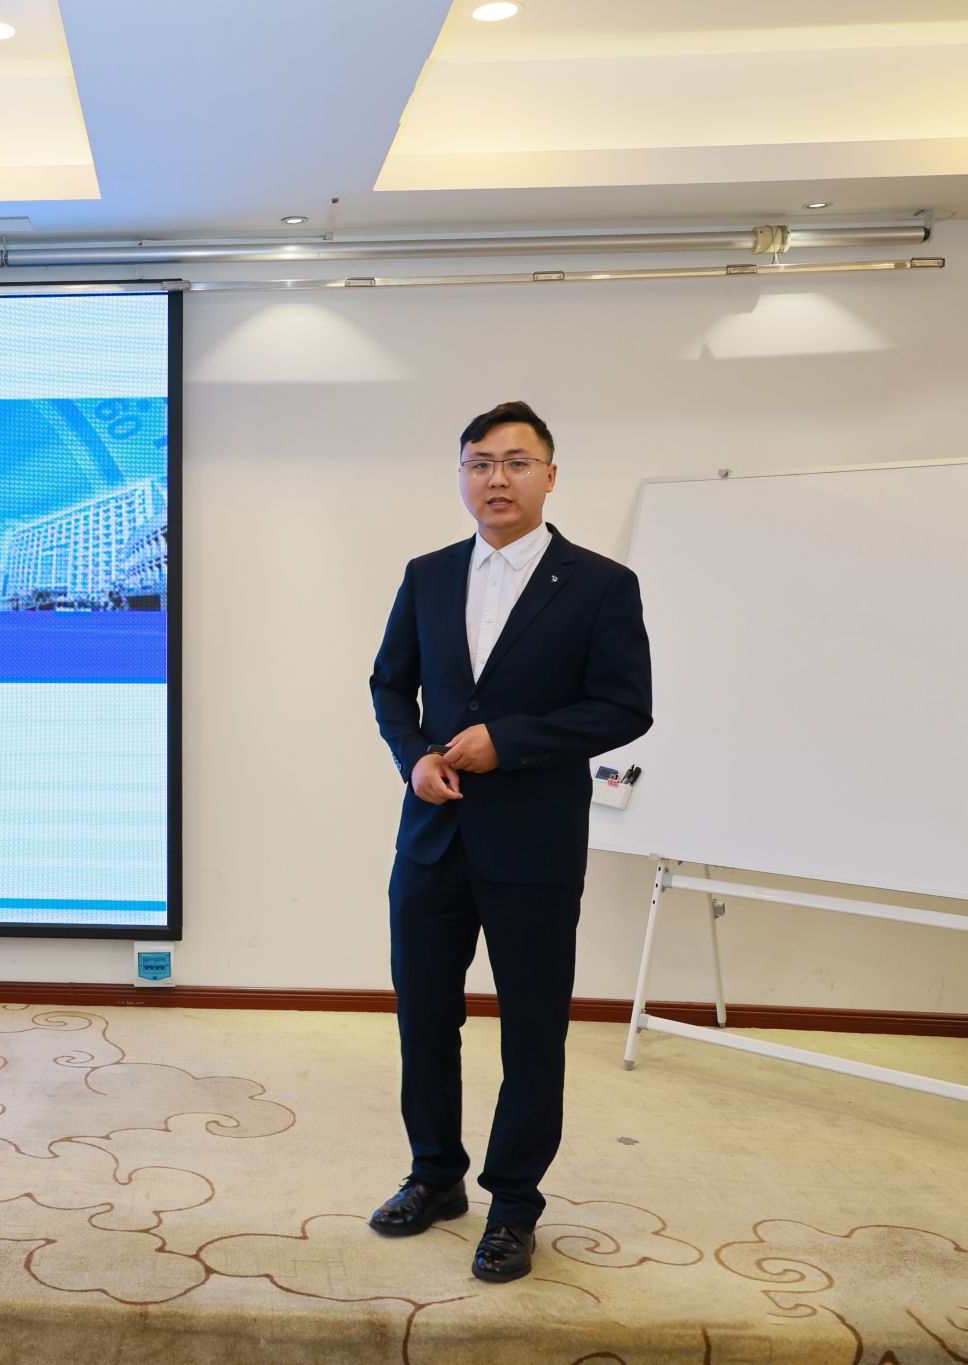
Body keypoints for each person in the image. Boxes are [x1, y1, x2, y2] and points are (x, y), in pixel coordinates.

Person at [365, 401, 653, 1282]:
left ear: (550, 476)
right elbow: (390, 686)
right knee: (425, 1015)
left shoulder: (601, 584)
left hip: (534, 844)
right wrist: (415, 757)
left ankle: (515, 1204)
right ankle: (434, 1174)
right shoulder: (427, 574)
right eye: (480, 462)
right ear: (462, 475)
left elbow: (624, 706)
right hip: (432, 838)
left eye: (517, 462)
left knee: (532, 1029)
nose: (497, 478)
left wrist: (511, 741)